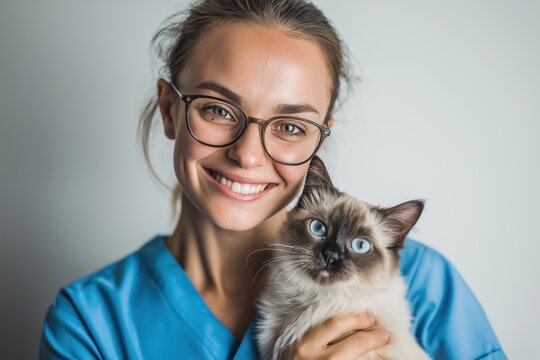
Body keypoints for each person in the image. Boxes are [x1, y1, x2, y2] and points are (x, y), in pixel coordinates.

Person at [39, 0, 507, 359]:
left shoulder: (421, 283)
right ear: (169, 110)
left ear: (317, 142)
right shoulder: (90, 323)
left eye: (289, 127)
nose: (246, 155)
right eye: (219, 110)